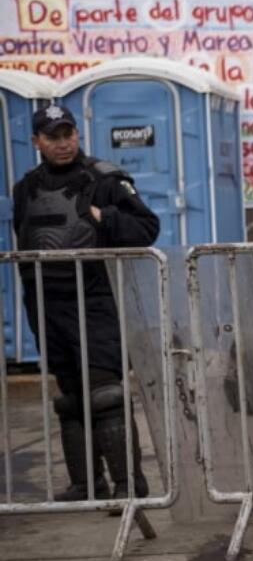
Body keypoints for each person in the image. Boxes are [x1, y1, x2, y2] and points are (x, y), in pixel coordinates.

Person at [12, 105, 160, 502]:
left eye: (68, 134)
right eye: (53, 136)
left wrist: (104, 216)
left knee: (104, 392)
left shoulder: (106, 179)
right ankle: (85, 484)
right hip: (48, 305)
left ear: (77, 134)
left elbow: (147, 228)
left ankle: (129, 487)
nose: (63, 143)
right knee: (71, 396)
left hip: (96, 301)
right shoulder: (25, 188)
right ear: (37, 142)